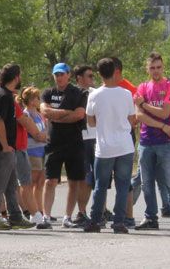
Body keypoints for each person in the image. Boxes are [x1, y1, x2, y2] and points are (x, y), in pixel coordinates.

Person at [134, 53, 170, 232]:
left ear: (163, 67)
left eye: (158, 67)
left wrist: (144, 105)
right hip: (146, 141)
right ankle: (150, 217)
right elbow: (139, 116)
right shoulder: (142, 87)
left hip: (165, 142)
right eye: (152, 68)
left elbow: (165, 112)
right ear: (147, 69)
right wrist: (161, 126)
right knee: (146, 183)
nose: (156, 71)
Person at [84, 58, 137, 234]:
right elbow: (131, 120)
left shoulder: (94, 95)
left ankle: (95, 220)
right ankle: (119, 222)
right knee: (122, 185)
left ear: (99, 74)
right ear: (115, 71)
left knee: (100, 185)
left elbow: (90, 122)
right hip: (124, 146)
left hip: (104, 147)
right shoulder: (126, 94)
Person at [40, 62, 87, 228]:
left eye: (62, 74)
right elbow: (45, 111)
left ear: (68, 75)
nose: (59, 77)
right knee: (50, 181)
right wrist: (68, 113)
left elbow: (79, 115)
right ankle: (46, 216)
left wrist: (57, 116)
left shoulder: (79, 92)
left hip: (74, 142)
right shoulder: (48, 93)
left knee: (74, 182)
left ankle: (67, 217)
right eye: (56, 74)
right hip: (54, 143)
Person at [0, 63, 29, 229]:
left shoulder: (2, 93)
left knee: (11, 184)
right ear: (16, 77)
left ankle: (15, 216)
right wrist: (5, 145)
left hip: (6, 147)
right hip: (1, 148)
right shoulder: (3, 95)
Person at [21, 86, 49, 228]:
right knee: (31, 182)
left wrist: (44, 137)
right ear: (31, 100)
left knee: (40, 182)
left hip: (42, 149)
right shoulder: (26, 114)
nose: (39, 101)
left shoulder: (37, 114)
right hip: (32, 150)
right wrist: (43, 137)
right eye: (37, 98)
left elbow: (44, 132)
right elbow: (36, 134)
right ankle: (30, 211)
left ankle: (40, 210)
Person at [73, 64, 97, 224]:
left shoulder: (96, 93)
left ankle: (92, 211)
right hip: (79, 139)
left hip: (95, 139)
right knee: (82, 178)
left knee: (94, 179)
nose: (92, 79)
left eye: (93, 76)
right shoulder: (72, 93)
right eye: (89, 76)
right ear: (79, 78)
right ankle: (80, 212)